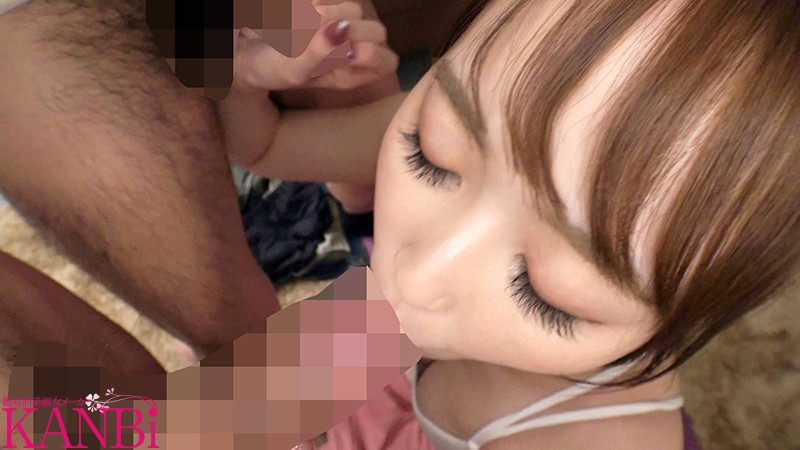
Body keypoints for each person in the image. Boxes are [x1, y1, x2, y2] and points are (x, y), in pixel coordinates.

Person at [219, 0, 800, 448]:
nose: (414, 277)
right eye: (432, 156)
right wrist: (240, 73)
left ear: (669, 331)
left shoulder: (598, 439)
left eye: (545, 294)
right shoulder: (394, 303)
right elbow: (263, 146)